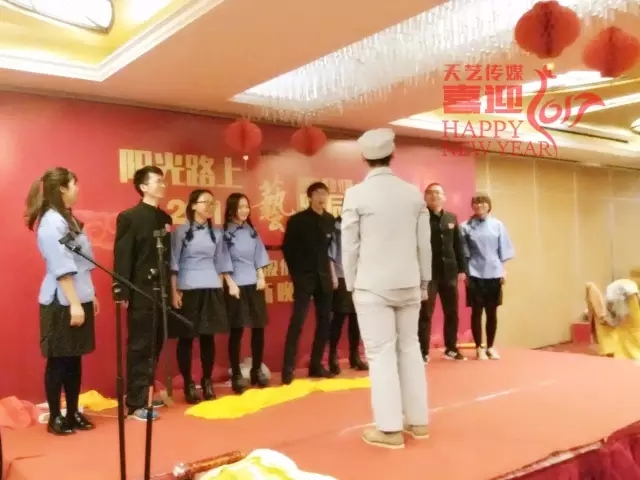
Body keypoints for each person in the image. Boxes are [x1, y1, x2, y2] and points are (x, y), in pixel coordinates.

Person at [341, 128, 431, 449]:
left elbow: (349, 246)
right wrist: (424, 280)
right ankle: (418, 422)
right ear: (393, 155)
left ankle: (389, 429)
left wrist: (351, 282)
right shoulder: (412, 193)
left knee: (380, 354)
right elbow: (424, 244)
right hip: (410, 282)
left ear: (363, 158)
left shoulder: (356, 195)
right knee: (410, 348)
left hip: (372, 285)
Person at [25, 167, 98, 435]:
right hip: (62, 301)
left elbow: (82, 262)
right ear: (63, 188)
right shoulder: (51, 222)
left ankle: (73, 412)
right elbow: (61, 266)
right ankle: (55, 416)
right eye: (74, 184)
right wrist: (75, 303)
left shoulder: (68, 218)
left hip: (79, 295)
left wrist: (90, 295)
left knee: (74, 359)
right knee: (58, 360)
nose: (78, 189)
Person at [113, 165, 172, 421]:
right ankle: (135, 403)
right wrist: (122, 290)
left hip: (161, 291)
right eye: (157, 181)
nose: (162, 185)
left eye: (163, 181)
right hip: (140, 291)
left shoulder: (165, 219)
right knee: (140, 346)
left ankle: (146, 393)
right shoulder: (130, 217)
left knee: (156, 343)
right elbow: (123, 255)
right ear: (143, 187)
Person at [170, 189, 232, 403]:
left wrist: (221, 288)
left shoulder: (217, 233)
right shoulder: (180, 232)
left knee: (208, 337)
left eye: (212, 203)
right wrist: (174, 291)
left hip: (211, 287)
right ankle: (188, 383)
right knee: (186, 338)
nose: (209, 207)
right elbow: (174, 264)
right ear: (193, 205)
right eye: (205, 202)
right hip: (188, 288)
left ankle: (207, 381)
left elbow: (221, 262)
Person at [281, 181, 338, 384]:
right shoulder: (298, 220)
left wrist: (333, 275)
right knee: (298, 320)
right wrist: (297, 274)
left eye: (325, 193)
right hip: (304, 278)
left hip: (324, 277)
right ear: (310, 196)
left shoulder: (330, 220)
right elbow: (288, 249)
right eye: (318, 193)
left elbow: (332, 251)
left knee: (325, 321)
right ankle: (288, 368)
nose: (322, 197)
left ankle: (316, 365)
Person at [222, 193, 271, 393]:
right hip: (236, 285)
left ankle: (256, 369)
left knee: (258, 327)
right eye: (240, 207)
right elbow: (222, 260)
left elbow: (259, 256)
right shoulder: (224, 233)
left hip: (254, 284)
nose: (244, 210)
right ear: (231, 209)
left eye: (247, 207)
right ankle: (236, 374)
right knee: (237, 330)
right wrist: (230, 283)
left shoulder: (251, 231)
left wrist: (261, 276)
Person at [460, 193, 514, 360]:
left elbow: (504, 250)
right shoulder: (465, 226)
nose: (479, 205)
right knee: (476, 312)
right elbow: (463, 253)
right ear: (472, 206)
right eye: (476, 203)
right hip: (474, 273)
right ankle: (479, 347)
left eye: (483, 203)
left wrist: (503, 271)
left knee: (492, 312)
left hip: (494, 273)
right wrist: (465, 273)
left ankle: (490, 346)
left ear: (489, 206)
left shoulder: (498, 225)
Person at [419, 183, 467, 362]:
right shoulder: (420, 218)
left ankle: (451, 349)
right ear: (425, 197)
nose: (434, 196)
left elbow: (458, 245)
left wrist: (462, 269)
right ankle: (423, 352)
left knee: (452, 312)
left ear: (444, 197)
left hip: (449, 273)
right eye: (430, 193)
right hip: (428, 274)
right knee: (425, 314)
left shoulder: (451, 218)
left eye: (438, 193)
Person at [328, 213, 367, 374]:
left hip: (359, 278)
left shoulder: (361, 226)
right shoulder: (335, 226)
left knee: (356, 319)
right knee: (339, 318)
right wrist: (333, 276)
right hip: (341, 277)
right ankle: (332, 356)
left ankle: (354, 356)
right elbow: (330, 255)